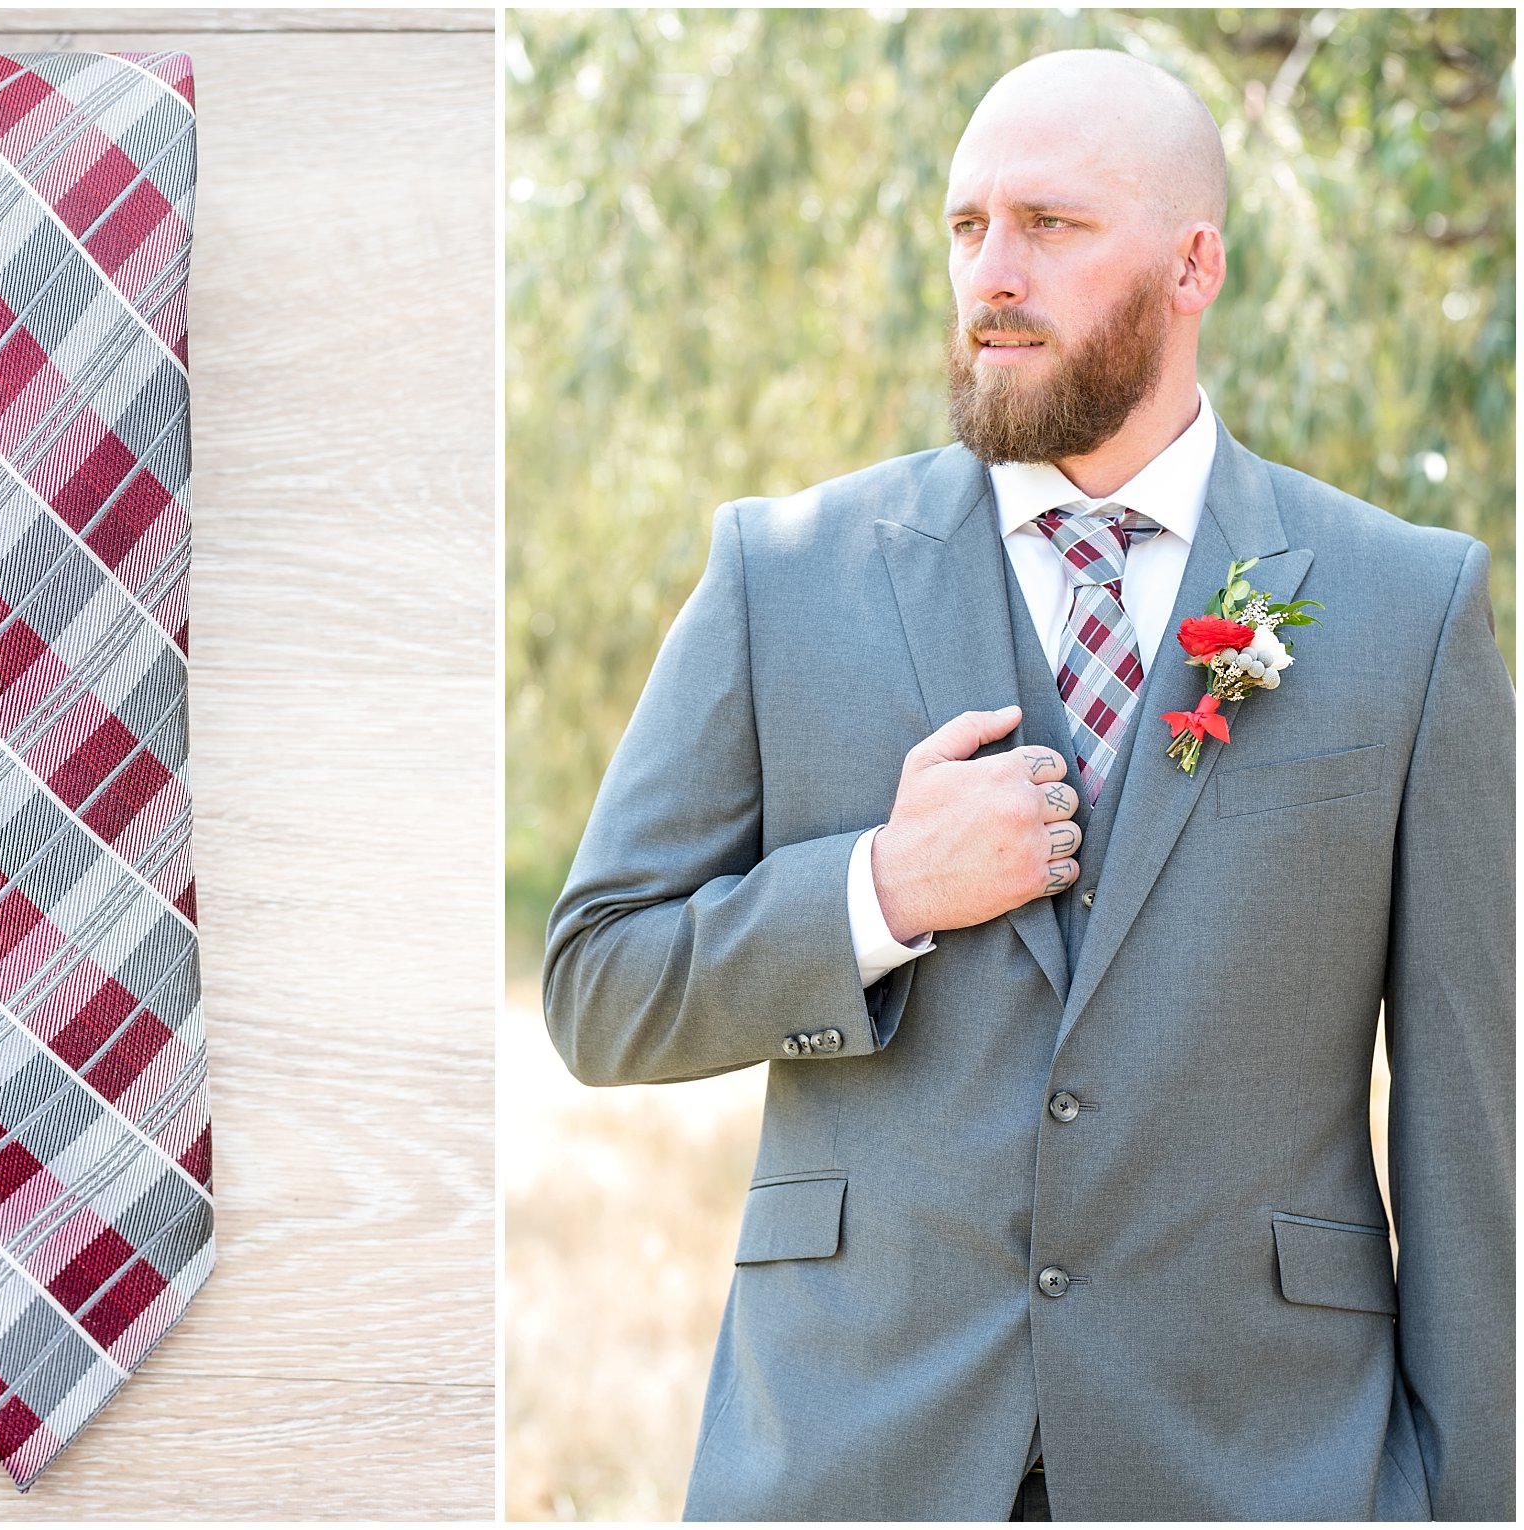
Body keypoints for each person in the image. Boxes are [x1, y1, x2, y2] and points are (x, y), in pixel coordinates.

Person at [540, 48, 1513, 1522]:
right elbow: (595, 984)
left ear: (1194, 266)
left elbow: (1475, 1124)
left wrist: (1480, 1494)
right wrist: (877, 892)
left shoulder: (1401, 608)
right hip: (862, 1452)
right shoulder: (783, 577)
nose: (993, 271)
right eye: (966, 227)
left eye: (1049, 226)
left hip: (1264, 1460)